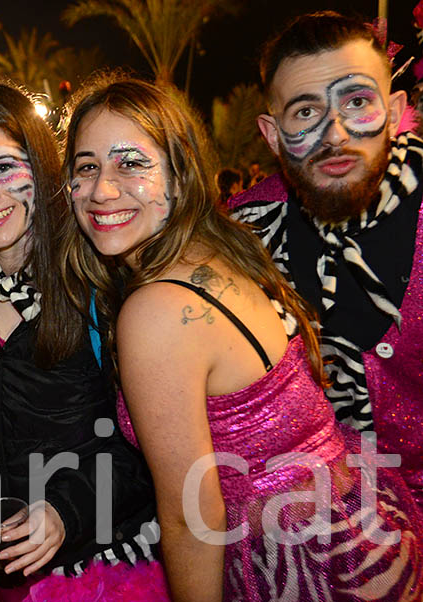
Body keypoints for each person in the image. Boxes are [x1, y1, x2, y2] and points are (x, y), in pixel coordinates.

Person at [61, 72, 423, 601]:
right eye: (86, 167)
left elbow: (191, 515)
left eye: (131, 162)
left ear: (180, 176)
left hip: (301, 566)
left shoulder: (156, 309)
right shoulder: (224, 248)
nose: (101, 189)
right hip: (357, 532)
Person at [0, 83, 167, 602]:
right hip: (5, 572)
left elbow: (148, 448)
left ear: (42, 167)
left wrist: (64, 510)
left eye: (4, 168)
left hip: (106, 565)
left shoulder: (102, 287)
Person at [231, 12, 423, 509]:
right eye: (306, 112)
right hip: (322, 549)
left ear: (396, 108)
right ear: (272, 135)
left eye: (357, 102)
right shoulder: (240, 237)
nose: (335, 133)